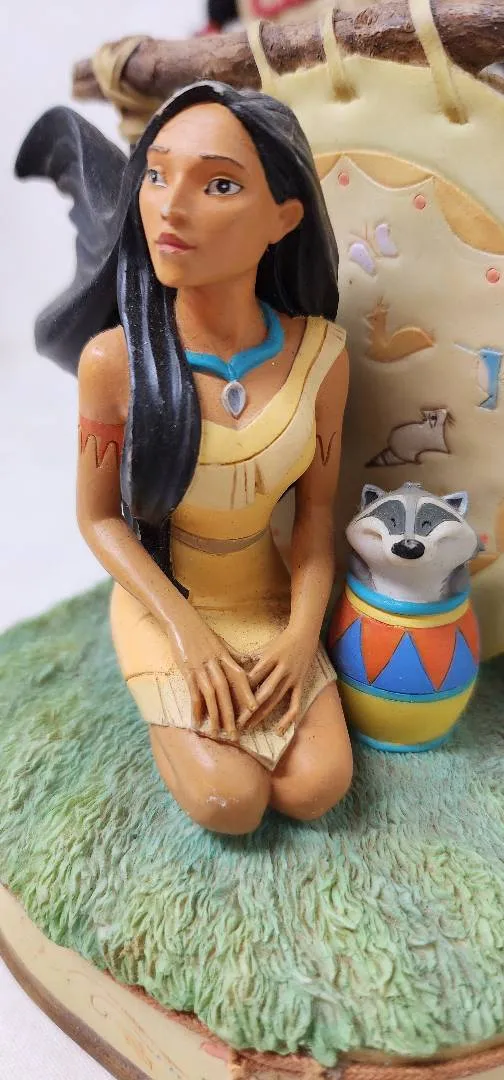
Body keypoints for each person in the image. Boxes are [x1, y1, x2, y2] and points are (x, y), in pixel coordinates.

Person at [16, 81, 352, 833]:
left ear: (283, 218)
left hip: (267, 598)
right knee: (232, 802)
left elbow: (316, 520)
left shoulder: (322, 358)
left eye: (219, 184)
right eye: (157, 175)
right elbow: (99, 520)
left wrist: (300, 636)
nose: (171, 207)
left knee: (317, 786)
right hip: (165, 599)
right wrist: (185, 634)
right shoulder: (114, 365)